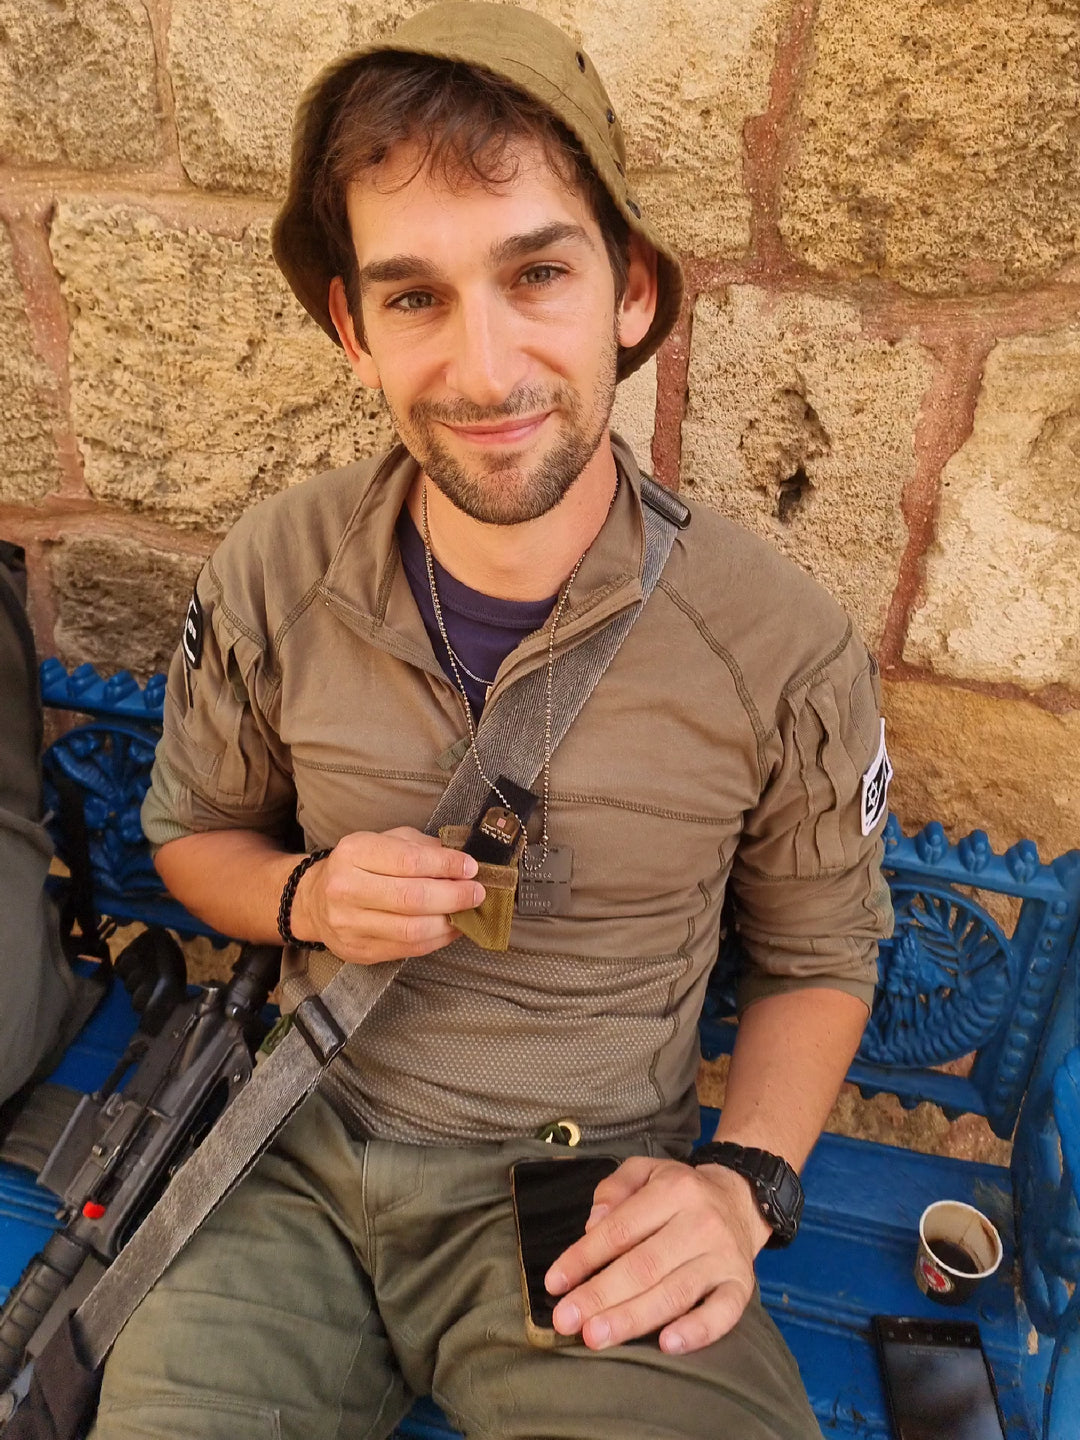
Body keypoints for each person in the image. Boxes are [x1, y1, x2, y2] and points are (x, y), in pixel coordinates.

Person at [92, 5, 893, 1437]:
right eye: (414, 298)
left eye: (536, 274)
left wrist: (741, 1189)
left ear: (629, 292)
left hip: (586, 1197)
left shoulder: (775, 644)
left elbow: (822, 953)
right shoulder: (276, 569)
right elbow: (195, 838)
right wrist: (308, 895)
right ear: (354, 329)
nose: (483, 367)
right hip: (291, 1150)